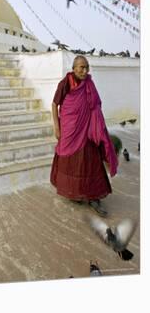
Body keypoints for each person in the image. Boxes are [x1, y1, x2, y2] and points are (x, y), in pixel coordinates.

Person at [50, 55, 118, 217]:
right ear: (73, 68)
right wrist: (56, 126)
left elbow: (95, 104)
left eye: (86, 67)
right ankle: (75, 193)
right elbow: (55, 104)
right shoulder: (66, 83)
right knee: (71, 162)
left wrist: (97, 125)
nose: (84, 70)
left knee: (91, 162)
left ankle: (94, 198)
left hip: (88, 129)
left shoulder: (89, 83)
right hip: (70, 130)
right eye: (81, 67)